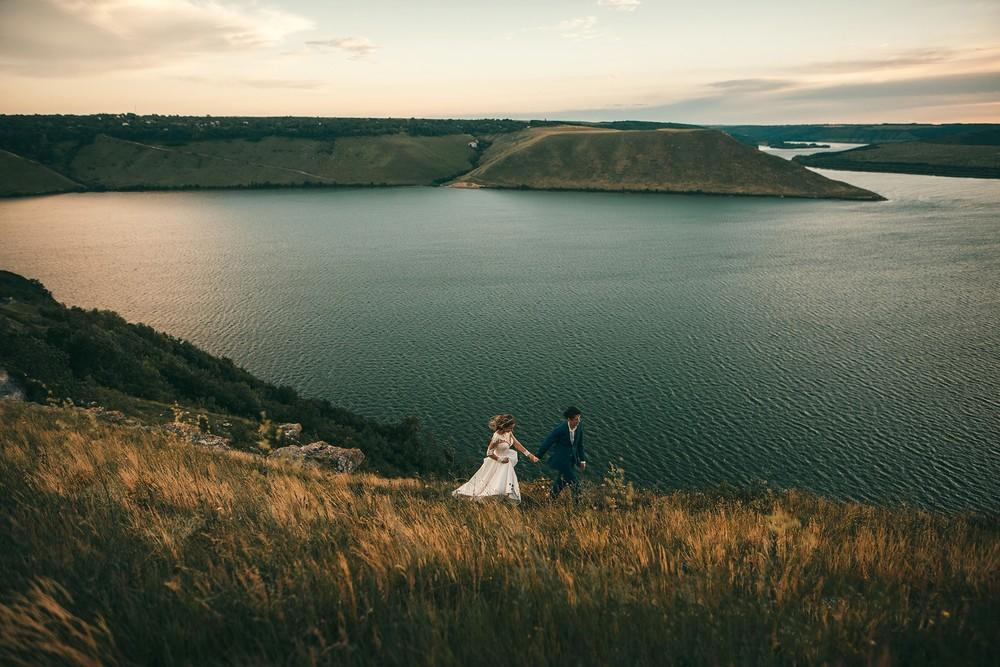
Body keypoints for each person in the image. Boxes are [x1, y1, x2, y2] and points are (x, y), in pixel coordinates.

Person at [452, 413, 539, 503]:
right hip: (498, 461)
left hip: (506, 461)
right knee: (492, 483)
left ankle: (501, 500)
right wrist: (500, 459)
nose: (512, 430)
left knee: (503, 482)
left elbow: (517, 444)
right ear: (503, 426)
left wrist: (530, 455)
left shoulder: (508, 432)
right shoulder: (496, 437)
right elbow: (488, 453)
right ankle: (487, 499)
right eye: (510, 428)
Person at [536, 406, 586, 500]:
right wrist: (538, 456)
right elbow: (548, 442)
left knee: (562, 481)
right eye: (576, 419)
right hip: (562, 460)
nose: (578, 421)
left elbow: (580, 445)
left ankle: (552, 497)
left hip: (572, 459)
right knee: (575, 483)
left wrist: (582, 460)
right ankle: (578, 502)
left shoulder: (579, 427)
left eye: (579, 418)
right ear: (569, 419)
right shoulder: (560, 429)